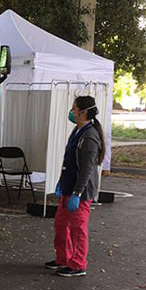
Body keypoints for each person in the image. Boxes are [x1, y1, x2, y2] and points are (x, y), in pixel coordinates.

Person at [45, 95, 106, 277]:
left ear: (84, 112)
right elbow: (69, 161)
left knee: (78, 229)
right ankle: (63, 258)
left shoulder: (89, 137)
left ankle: (78, 264)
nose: (71, 112)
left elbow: (87, 169)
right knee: (61, 224)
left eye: (74, 109)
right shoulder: (77, 131)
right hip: (68, 186)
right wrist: (61, 183)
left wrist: (77, 193)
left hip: (79, 191)